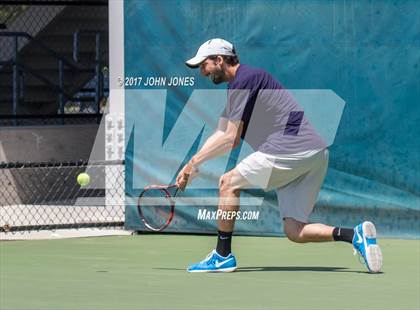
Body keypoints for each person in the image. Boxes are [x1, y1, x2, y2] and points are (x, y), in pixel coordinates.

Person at [176, 38, 382, 273]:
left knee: (227, 183)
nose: (202, 72)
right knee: (295, 230)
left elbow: (230, 138)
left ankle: (222, 255)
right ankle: (354, 235)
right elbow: (222, 132)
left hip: (290, 148)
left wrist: (193, 163)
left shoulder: (244, 80)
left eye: (204, 65)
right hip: (315, 153)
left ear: (219, 60)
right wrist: (190, 166)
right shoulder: (243, 85)